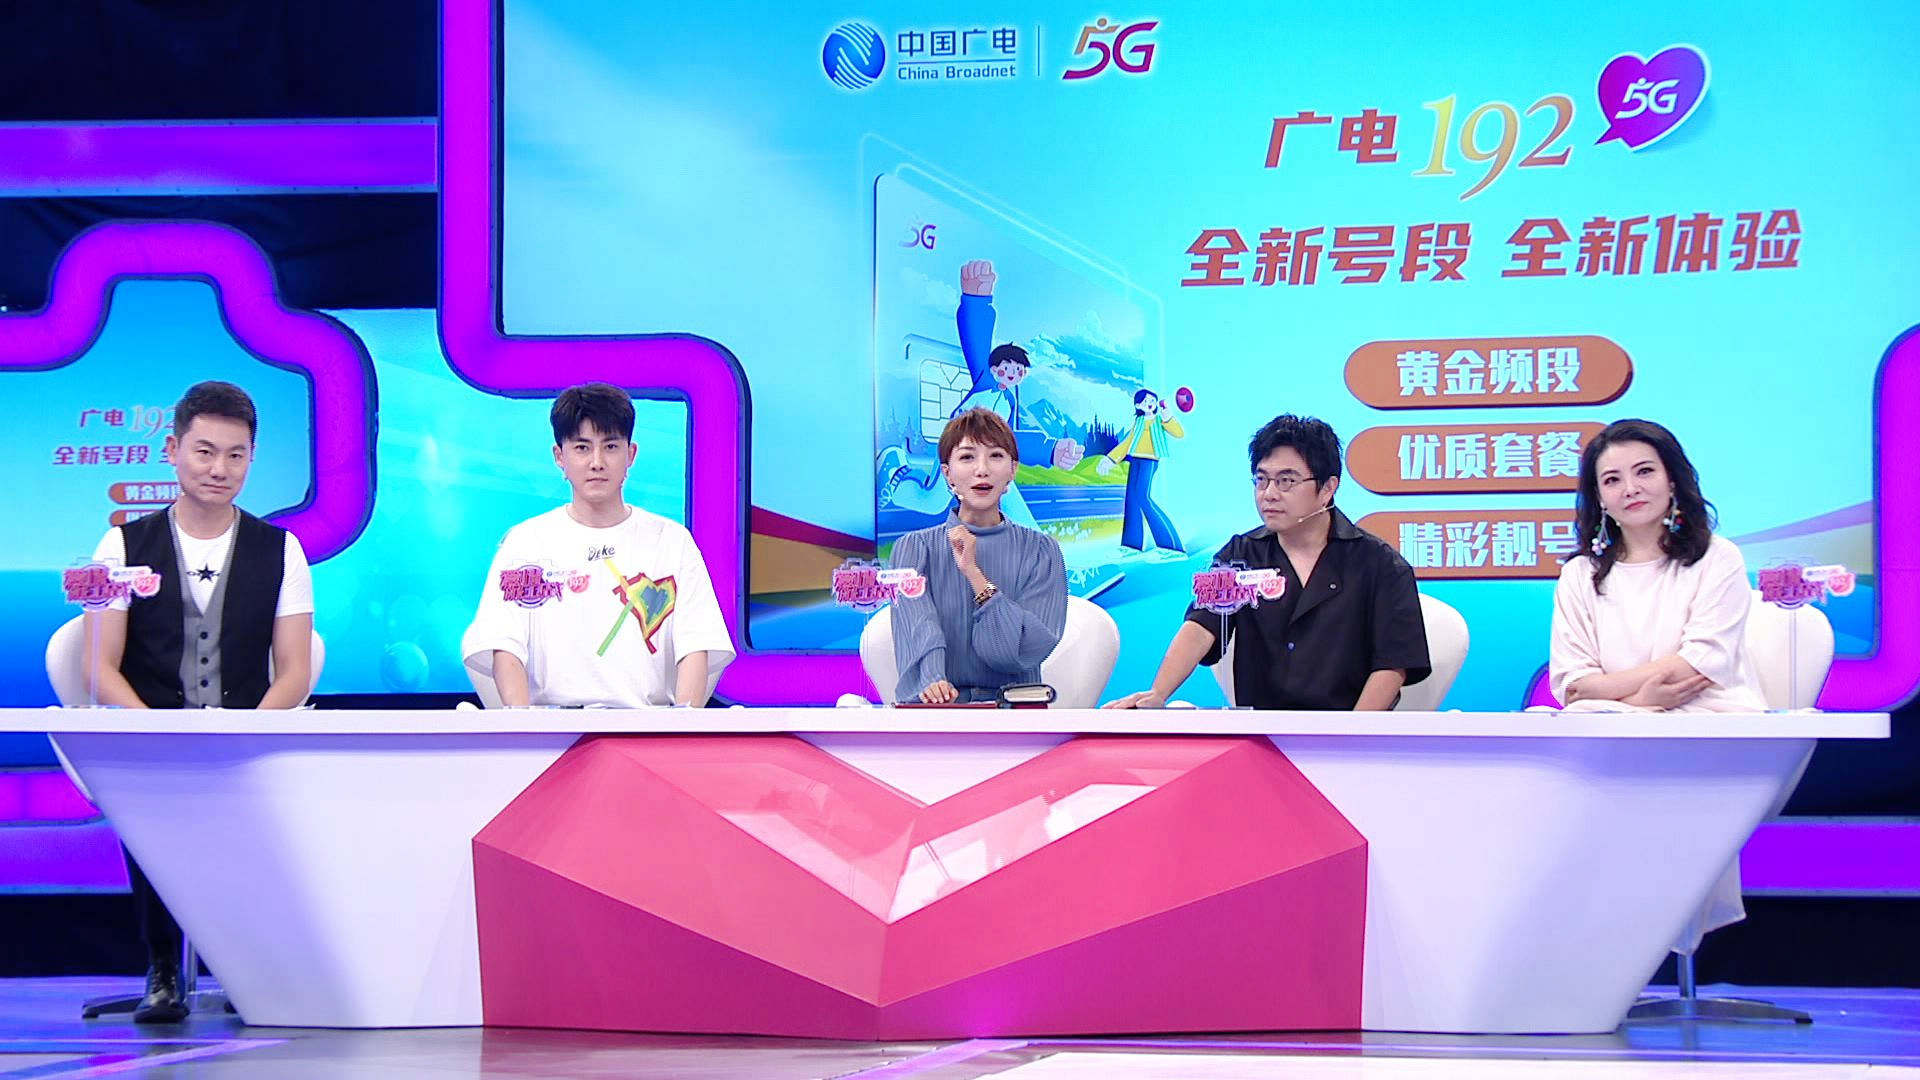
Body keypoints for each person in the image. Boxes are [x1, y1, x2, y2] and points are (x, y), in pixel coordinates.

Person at [82, 380, 315, 1023]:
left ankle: (245, 969)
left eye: (235, 455)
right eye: (205, 451)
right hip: (150, 738)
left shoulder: (282, 550)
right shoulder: (119, 547)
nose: (219, 469)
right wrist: (153, 732)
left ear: (252, 458)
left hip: (247, 739)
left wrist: (247, 735)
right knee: (152, 796)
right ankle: (162, 968)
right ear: (173, 449)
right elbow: (98, 668)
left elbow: (295, 671)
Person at [1106, 414, 1429, 710]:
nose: (1269, 494)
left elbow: (1392, 665)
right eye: (1261, 480)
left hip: (1346, 732)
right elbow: (1201, 628)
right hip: (1260, 731)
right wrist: (1158, 693)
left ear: (1328, 488)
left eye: (1287, 481)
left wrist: (1350, 735)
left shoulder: (1381, 565)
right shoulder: (1240, 555)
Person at [462, 383, 733, 707]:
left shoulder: (672, 541)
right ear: (559, 456)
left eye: (610, 446)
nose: (597, 462)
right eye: (582, 448)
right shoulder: (526, 542)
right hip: (551, 728)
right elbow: (503, 645)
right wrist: (523, 727)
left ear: (630, 454)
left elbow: (696, 644)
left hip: (647, 726)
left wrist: (681, 728)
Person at [1550, 418, 1765, 712]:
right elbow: (1573, 686)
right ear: (1599, 497)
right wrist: (1641, 702)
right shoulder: (1579, 574)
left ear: (1671, 480)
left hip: (1710, 718)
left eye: (1645, 472)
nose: (1630, 489)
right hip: (1609, 725)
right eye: (1612, 480)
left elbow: (1701, 662)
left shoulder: (1717, 556)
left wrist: (1607, 691)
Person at [888, 407, 1068, 703]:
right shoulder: (914, 550)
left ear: (1012, 470)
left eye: (996, 456)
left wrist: (974, 574)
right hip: (938, 712)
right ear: (947, 473)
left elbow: (1017, 651)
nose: (982, 469)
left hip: (1014, 713)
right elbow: (918, 627)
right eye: (967, 457)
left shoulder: (1042, 552)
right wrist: (934, 681)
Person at [1098, 388, 1186, 553]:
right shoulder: (1139, 422)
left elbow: (1179, 433)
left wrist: (1168, 418)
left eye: (1152, 400)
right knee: (1132, 499)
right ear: (1138, 405)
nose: (1150, 403)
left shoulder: (1159, 419)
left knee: (1143, 497)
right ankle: (1131, 545)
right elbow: (1127, 443)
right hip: (1135, 460)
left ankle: (1171, 545)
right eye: (1145, 401)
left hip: (1149, 461)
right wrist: (1111, 459)